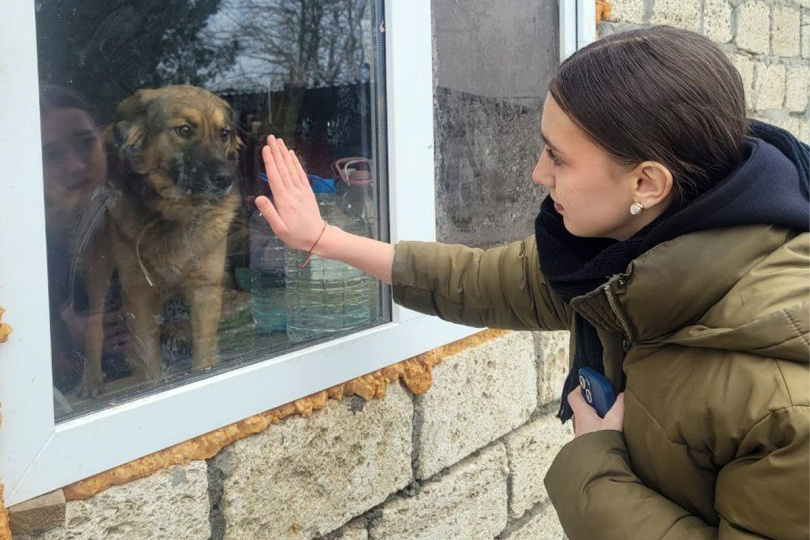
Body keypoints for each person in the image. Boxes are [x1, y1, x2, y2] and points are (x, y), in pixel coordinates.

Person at [255, 26, 809, 539]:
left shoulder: (786, 406)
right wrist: (323, 238)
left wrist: (596, 459)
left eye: (558, 158)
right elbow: (476, 280)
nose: (537, 174)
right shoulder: (622, 264)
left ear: (646, 181)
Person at [39, 85, 129, 392]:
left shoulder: (135, 221)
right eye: (51, 155)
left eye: (86, 143)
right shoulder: (22, 245)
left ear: (103, 145)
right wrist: (61, 337)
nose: (76, 165)